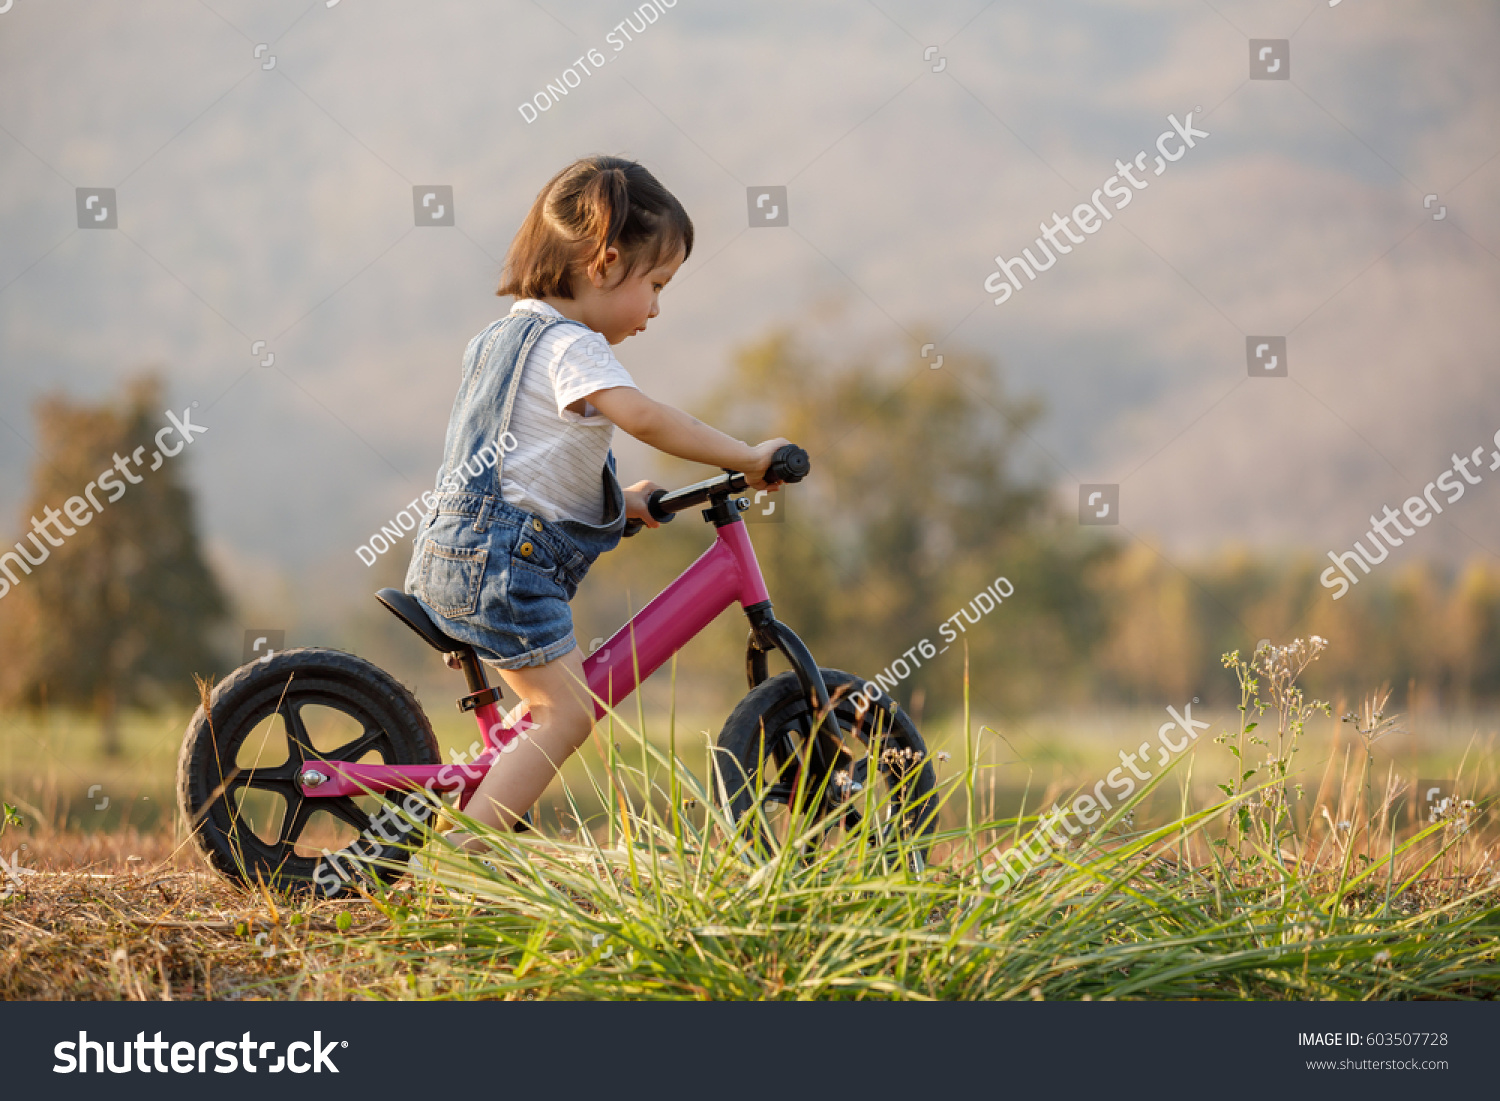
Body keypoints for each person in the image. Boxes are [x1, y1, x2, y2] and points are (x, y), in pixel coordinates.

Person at [405, 155, 788, 847]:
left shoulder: (502, 338)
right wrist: (747, 456)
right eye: (657, 284)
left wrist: (623, 499)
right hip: (503, 566)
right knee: (567, 715)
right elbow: (644, 417)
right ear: (606, 263)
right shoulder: (571, 345)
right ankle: (463, 858)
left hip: (459, 548)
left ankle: (462, 828)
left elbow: (530, 454)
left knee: (544, 712)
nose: (657, 308)